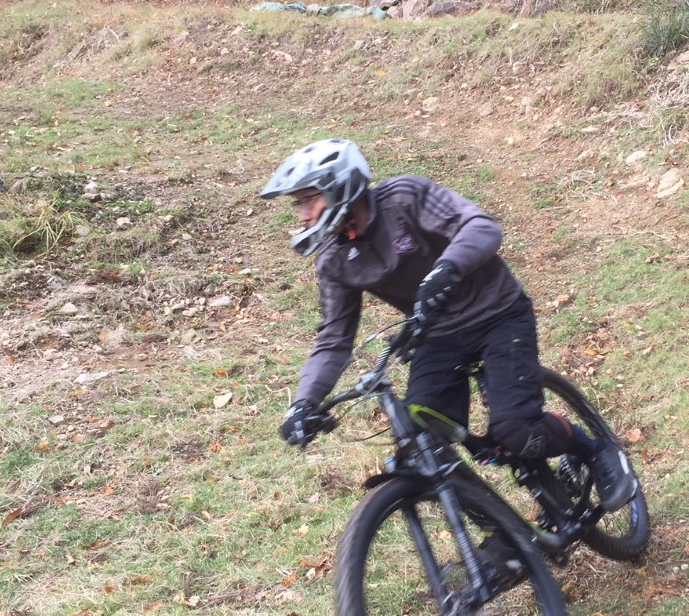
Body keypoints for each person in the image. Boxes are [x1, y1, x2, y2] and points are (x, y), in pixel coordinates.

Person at [259, 138, 637, 514]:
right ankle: (499, 534)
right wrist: (304, 403)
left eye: (308, 200)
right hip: (436, 336)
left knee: (516, 431)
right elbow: (334, 337)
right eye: (298, 204)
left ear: (340, 186)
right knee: (424, 445)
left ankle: (593, 450)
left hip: (498, 314)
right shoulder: (334, 258)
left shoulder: (404, 198)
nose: (303, 215)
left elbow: (480, 226)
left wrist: (448, 267)